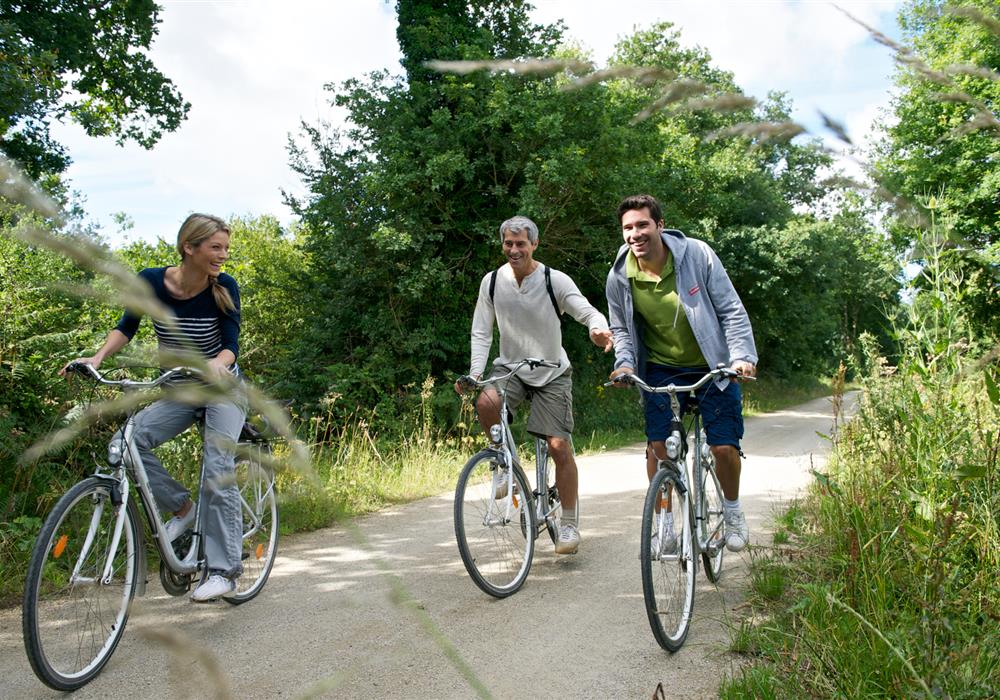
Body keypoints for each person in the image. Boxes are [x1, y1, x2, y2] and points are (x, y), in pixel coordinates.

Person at [60, 213, 247, 602]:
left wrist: (219, 362)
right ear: (189, 247)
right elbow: (127, 326)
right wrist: (96, 359)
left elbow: (231, 342)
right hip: (178, 390)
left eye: (225, 248)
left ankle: (223, 570)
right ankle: (182, 508)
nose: (223, 255)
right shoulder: (149, 281)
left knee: (217, 465)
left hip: (221, 389)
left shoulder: (224, 286)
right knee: (125, 443)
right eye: (216, 247)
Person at [605, 194, 757, 552]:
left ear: (659, 225)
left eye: (642, 224)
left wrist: (742, 357)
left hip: (713, 365)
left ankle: (733, 511)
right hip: (660, 367)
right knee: (660, 448)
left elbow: (730, 309)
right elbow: (622, 329)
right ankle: (666, 523)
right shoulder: (619, 276)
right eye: (628, 227)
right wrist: (624, 364)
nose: (635, 233)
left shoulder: (697, 255)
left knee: (722, 447)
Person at [455, 215, 613, 555]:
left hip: (551, 371)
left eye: (520, 244)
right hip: (511, 369)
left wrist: (597, 330)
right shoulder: (493, 282)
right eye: (508, 244)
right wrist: (475, 372)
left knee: (558, 445)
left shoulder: (552, 280)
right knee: (486, 403)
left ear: (534, 244)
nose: (514, 250)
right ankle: (504, 466)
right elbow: (481, 330)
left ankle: (569, 523)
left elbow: (586, 311)